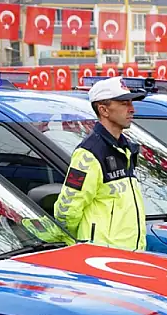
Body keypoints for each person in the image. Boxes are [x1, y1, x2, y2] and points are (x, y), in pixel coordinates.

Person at [53, 77, 147, 251]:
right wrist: (85, 245)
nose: (132, 109)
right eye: (124, 104)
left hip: (131, 256)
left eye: (131, 103)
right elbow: (66, 211)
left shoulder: (124, 148)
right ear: (103, 110)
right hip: (103, 258)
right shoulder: (88, 154)